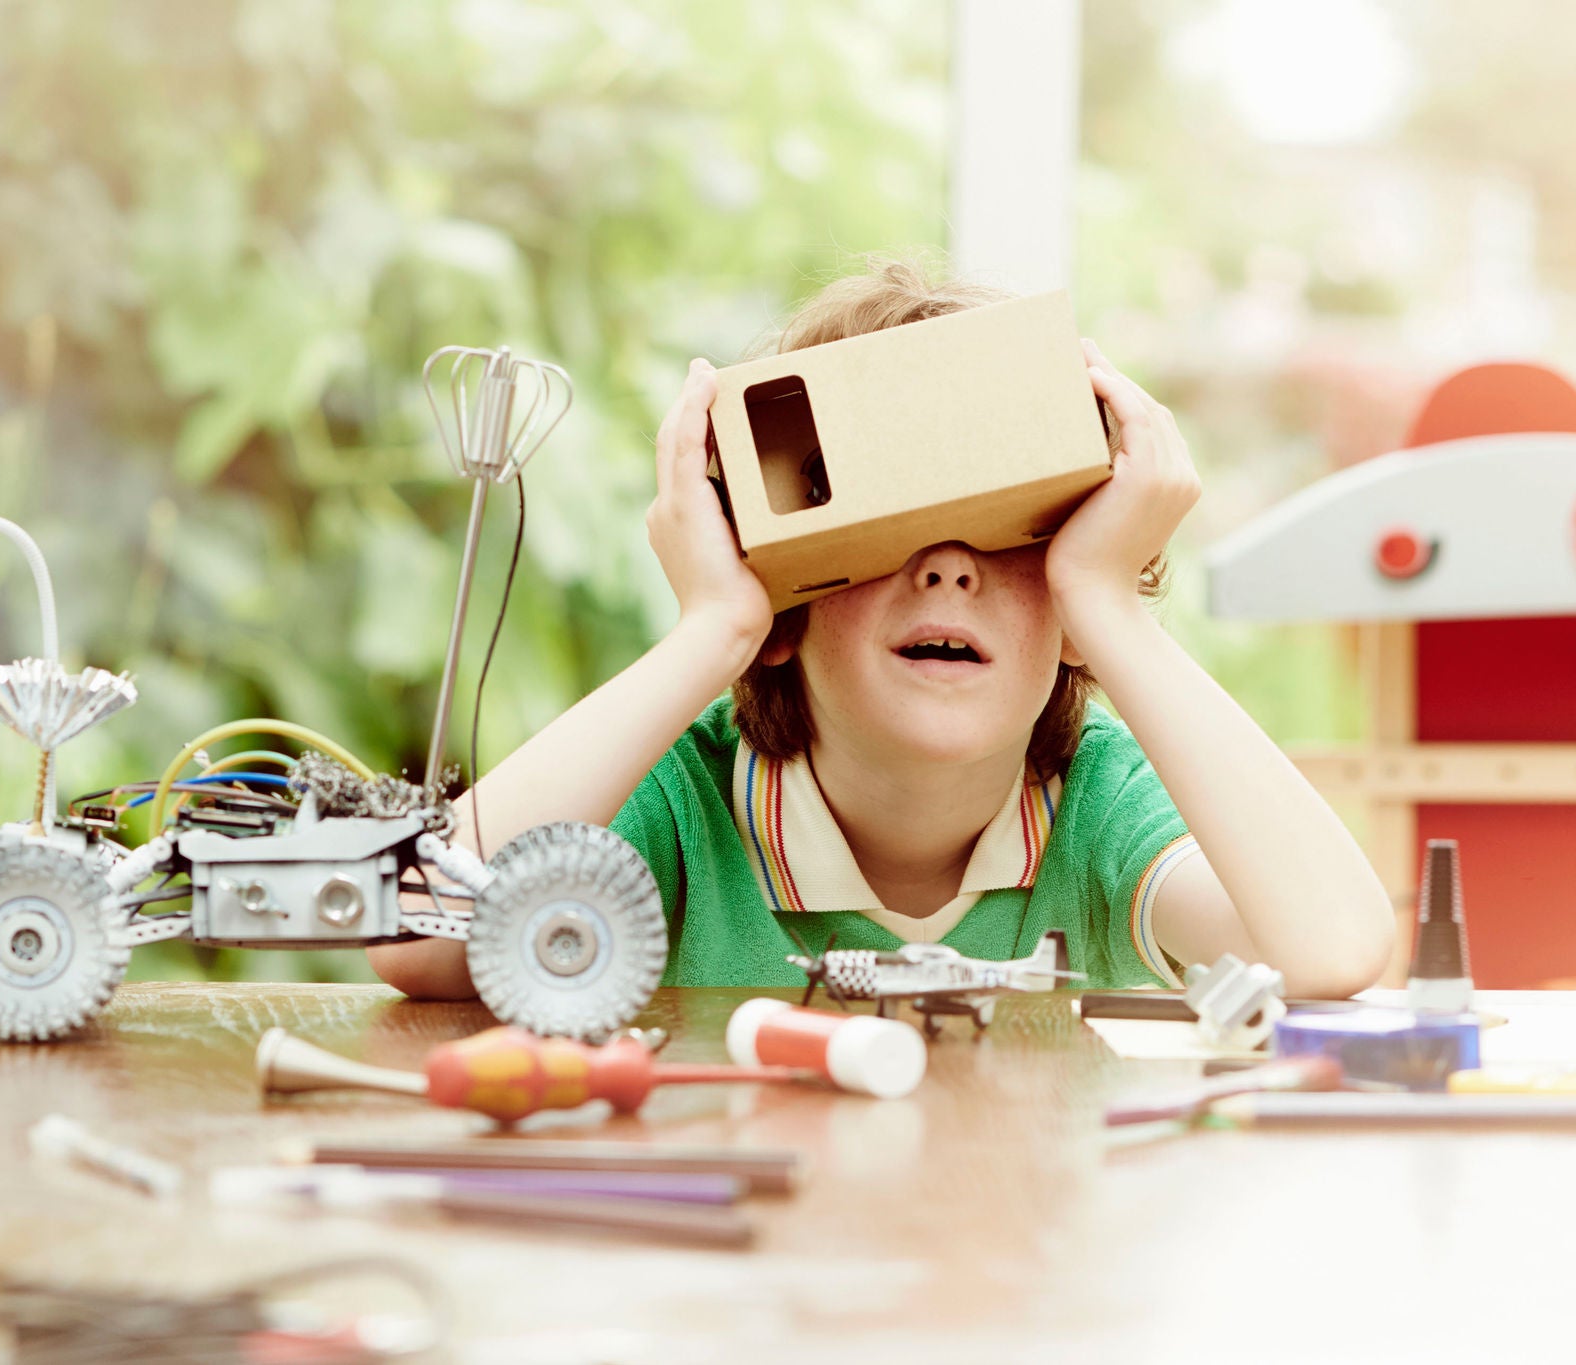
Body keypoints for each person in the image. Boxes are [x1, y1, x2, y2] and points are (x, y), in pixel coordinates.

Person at [369, 259, 1394, 1000]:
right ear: (784, 608)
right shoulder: (686, 805)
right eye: (885, 534)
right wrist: (713, 627)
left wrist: (1110, 607)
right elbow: (416, 936)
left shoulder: (1099, 805)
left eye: (1009, 533)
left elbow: (1334, 952)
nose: (946, 566)